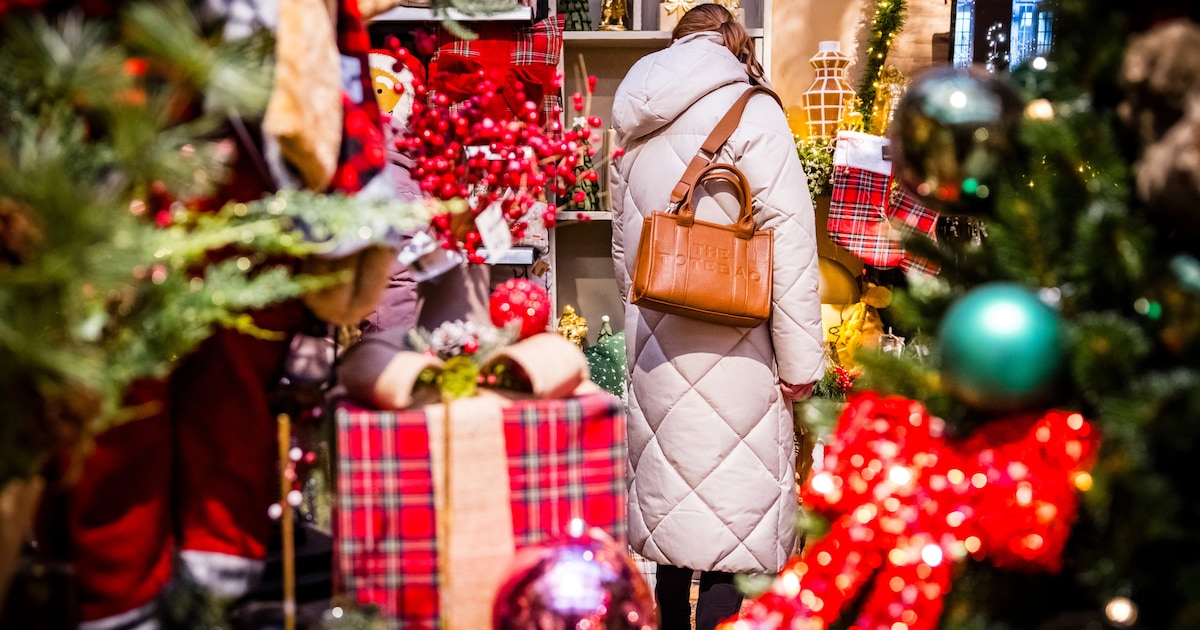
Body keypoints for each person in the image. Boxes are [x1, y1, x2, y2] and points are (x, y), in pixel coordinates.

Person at [608, 4, 825, 629]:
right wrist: (801, 362)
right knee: (732, 530)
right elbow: (790, 246)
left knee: (672, 520)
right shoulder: (755, 111)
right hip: (743, 346)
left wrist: (653, 305)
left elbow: (626, 251)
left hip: (659, 343)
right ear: (736, 42)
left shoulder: (637, 116)